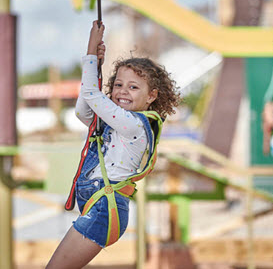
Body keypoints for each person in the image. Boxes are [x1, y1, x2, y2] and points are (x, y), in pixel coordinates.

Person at [46, 21, 180, 269]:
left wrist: (90, 49)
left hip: (104, 211)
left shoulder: (134, 126)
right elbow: (83, 112)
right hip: (99, 207)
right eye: (118, 85)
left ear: (151, 96)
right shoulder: (115, 124)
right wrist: (95, 66)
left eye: (133, 87)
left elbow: (91, 95)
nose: (122, 92)